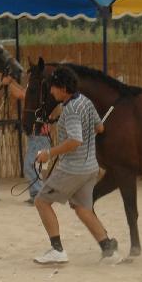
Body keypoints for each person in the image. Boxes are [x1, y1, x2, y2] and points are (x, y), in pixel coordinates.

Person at [31, 66, 117, 264]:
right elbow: (100, 127)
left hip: (72, 169)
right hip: (90, 168)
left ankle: (57, 250)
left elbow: (75, 140)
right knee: (83, 209)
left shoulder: (70, 110)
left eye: (53, 87)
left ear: (62, 87)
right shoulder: (85, 102)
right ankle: (107, 249)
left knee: (41, 201)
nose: (51, 92)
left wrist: (48, 154)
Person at [3, 75, 51, 205]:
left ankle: (38, 196)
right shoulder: (43, 94)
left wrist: (9, 83)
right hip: (41, 137)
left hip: (39, 136)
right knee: (36, 168)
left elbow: (20, 94)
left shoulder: (38, 96)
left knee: (30, 167)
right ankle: (39, 195)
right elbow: (23, 91)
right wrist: (12, 82)